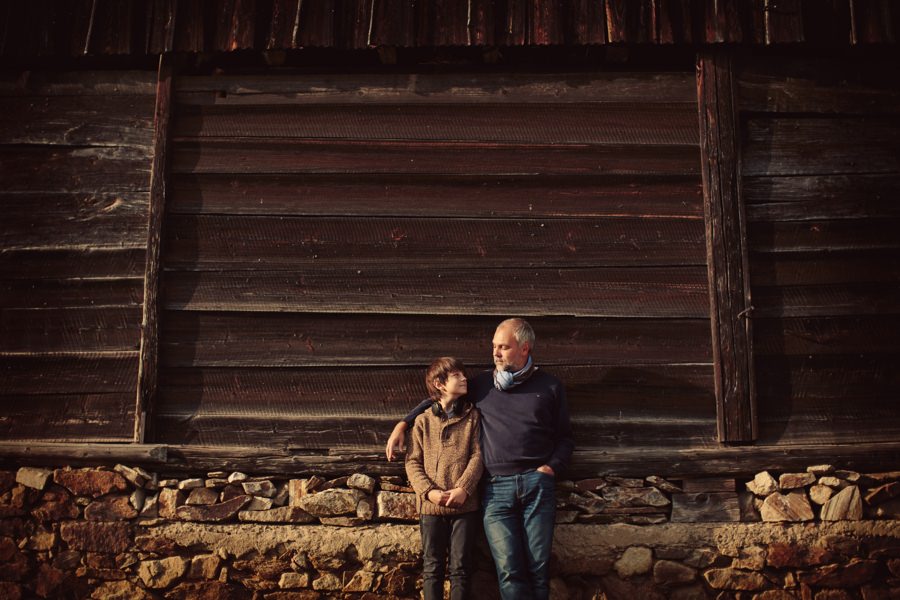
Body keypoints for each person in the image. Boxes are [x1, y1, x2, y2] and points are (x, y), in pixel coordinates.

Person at [388, 318, 574, 600]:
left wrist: (550, 468)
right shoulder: (483, 385)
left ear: (524, 348)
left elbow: (565, 437)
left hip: (537, 485)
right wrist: (403, 423)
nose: (496, 353)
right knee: (509, 570)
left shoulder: (549, 386)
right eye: (494, 346)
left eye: (503, 347)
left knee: (538, 569)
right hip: (496, 489)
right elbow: (439, 398)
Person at [405, 357, 483, 600]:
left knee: (461, 569)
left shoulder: (473, 417)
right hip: (430, 507)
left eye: (463, 374)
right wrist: (429, 492)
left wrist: (464, 488)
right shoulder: (422, 421)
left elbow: (479, 455)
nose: (464, 378)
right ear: (439, 384)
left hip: (464, 506)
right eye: (457, 375)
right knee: (432, 568)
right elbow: (412, 461)